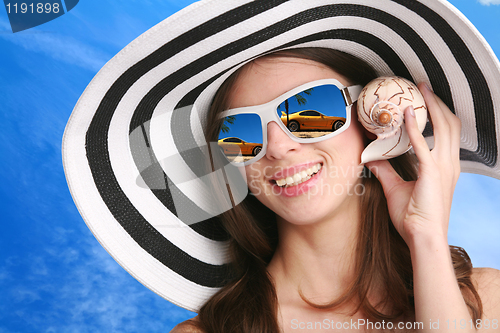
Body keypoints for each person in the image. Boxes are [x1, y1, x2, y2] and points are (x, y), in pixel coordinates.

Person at [62, 1, 500, 332]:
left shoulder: (486, 300)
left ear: (371, 125)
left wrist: (426, 237)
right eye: (239, 132)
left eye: (309, 111)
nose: (276, 146)